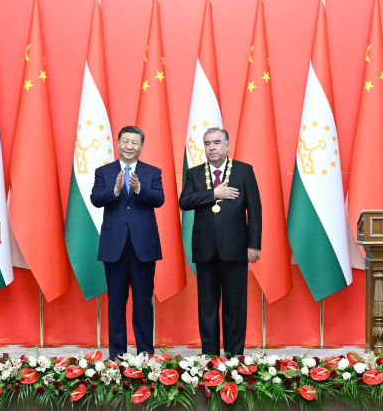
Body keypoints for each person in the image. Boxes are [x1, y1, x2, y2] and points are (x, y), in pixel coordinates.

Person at [178, 127, 260, 356]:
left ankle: (234, 357)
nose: (211, 148)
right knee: (207, 307)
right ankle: (210, 357)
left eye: (216, 143)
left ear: (227, 145)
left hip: (235, 248)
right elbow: (184, 201)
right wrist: (214, 194)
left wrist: (254, 244)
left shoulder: (243, 171)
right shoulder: (194, 173)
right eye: (207, 144)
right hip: (205, 250)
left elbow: (255, 209)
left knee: (235, 306)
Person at [90, 126, 164, 358]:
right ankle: (117, 355)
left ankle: (145, 354)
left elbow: (159, 199)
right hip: (115, 247)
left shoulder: (152, 172)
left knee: (143, 302)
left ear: (141, 146)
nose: (129, 146)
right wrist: (115, 190)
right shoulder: (104, 172)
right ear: (118, 143)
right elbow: (95, 199)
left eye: (134, 142)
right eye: (126, 142)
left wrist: (140, 189)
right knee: (116, 303)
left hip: (143, 246)